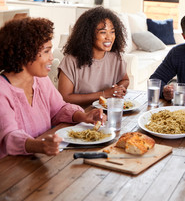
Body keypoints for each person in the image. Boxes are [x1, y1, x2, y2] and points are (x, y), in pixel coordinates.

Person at [0, 17, 106, 159]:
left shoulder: (41, 80)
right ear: (25, 52)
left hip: (40, 162)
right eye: (46, 51)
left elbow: (58, 110)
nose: (51, 57)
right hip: (10, 169)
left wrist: (84, 116)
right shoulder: (3, 91)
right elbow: (8, 137)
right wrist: (39, 145)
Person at [58, 7, 129, 107]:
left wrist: (119, 89)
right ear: (88, 34)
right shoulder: (71, 60)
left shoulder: (115, 57)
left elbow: (125, 80)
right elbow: (65, 97)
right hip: (79, 116)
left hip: (107, 113)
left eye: (112, 32)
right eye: (103, 32)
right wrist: (104, 94)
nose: (109, 37)